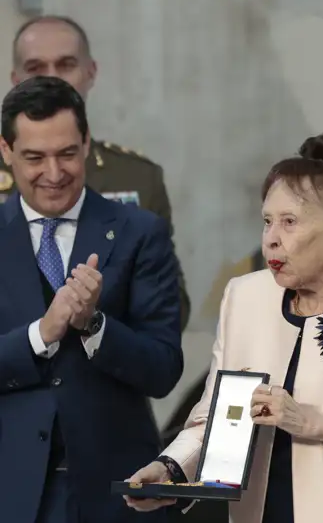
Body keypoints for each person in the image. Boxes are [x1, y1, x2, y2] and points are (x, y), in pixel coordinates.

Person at [124, 133, 323, 523]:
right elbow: (216, 417)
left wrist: (318, 425)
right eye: (267, 221)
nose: (271, 240)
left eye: (289, 222)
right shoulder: (244, 297)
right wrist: (171, 469)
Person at [0, 76, 183, 522]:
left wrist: (95, 326)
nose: (54, 172)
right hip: (13, 492)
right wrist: (41, 334)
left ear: (86, 143)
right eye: (34, 158)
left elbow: (162, 369)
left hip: (116, 494)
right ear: (5, 152)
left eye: (66, 153)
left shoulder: (140, 232)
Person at [0, 15, 191, 330]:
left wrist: (93, 321)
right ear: (15, 77)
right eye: (36, 68)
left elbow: (169, 310)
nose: (53, 78)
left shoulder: (136, 178)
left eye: (66, 65)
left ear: (91, 72)